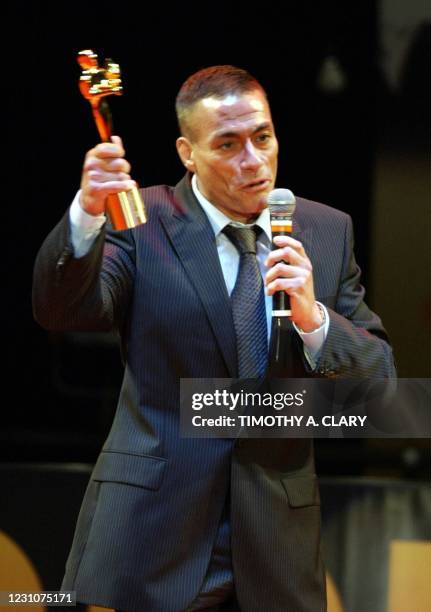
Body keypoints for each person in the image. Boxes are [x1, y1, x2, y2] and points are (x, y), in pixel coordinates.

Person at [32, 65, 395, 612]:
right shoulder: (143, 219)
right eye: (228, 144)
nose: (254, 161)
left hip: (276, 545)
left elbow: (382, 387)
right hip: (153, 537)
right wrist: (86, 214)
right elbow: (63, 311)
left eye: (263, 137)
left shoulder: (325, 230)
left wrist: (314, 318)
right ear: (187, 152)